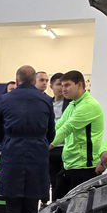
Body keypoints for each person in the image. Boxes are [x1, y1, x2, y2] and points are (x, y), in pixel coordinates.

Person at [0, 65, 55, 213]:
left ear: (16, 81)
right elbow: (51, 132)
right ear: (34, 80)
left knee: (12, 209)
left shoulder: (6, 99)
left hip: (12, 156)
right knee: (31, 209)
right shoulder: (45, 100)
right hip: (37, 157)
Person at [51, 70, 104, 199]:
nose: (63, 89)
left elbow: (66, 129)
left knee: (77, 212)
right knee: (58, 205)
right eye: (62, 85)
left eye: (67, 85)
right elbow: (58, 127)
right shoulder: (72, 105)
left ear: (79, 85)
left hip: (85, 168)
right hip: (70, 165)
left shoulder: (89, 105)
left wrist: (45, 147)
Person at [48, 72, 69, 202]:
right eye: (58, 84)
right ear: (51, 87)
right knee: (53, 180)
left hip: (65, 147)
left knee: (64, 181)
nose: (61, 87)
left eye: (63, 85)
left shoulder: (70, 103)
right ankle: (54, 204)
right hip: (51, 148)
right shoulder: (47, 103)